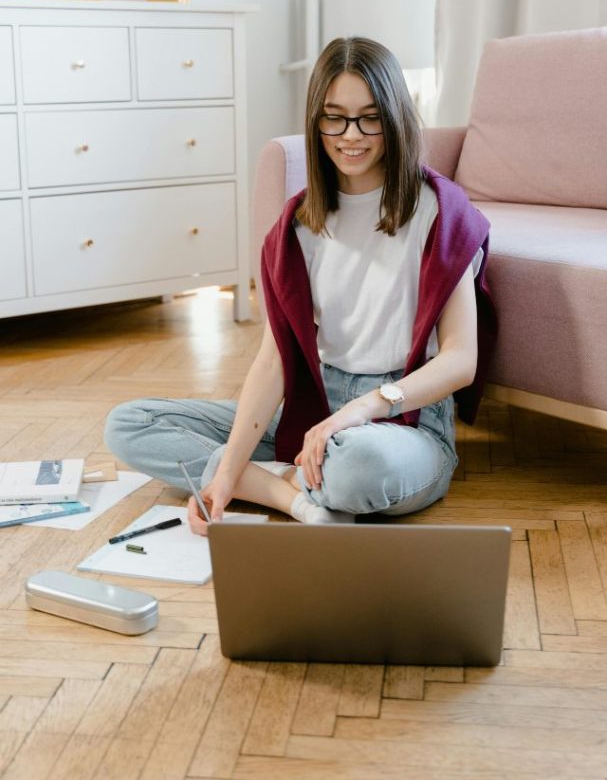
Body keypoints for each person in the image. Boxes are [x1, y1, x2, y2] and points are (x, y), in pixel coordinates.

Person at [104, 36, 496, 535]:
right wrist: (226, 477)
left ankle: (281, 479)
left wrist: (361, 410)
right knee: (130, 423)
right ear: (315, 120)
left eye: (369, 116)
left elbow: (461, 361)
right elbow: (273, 361)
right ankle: (292, 497)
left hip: (404, 416)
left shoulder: (440, 212)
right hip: (311, 404)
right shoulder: (297, 226)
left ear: (394, 117)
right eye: (334, 116)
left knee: (358, 468)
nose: (350, 135)